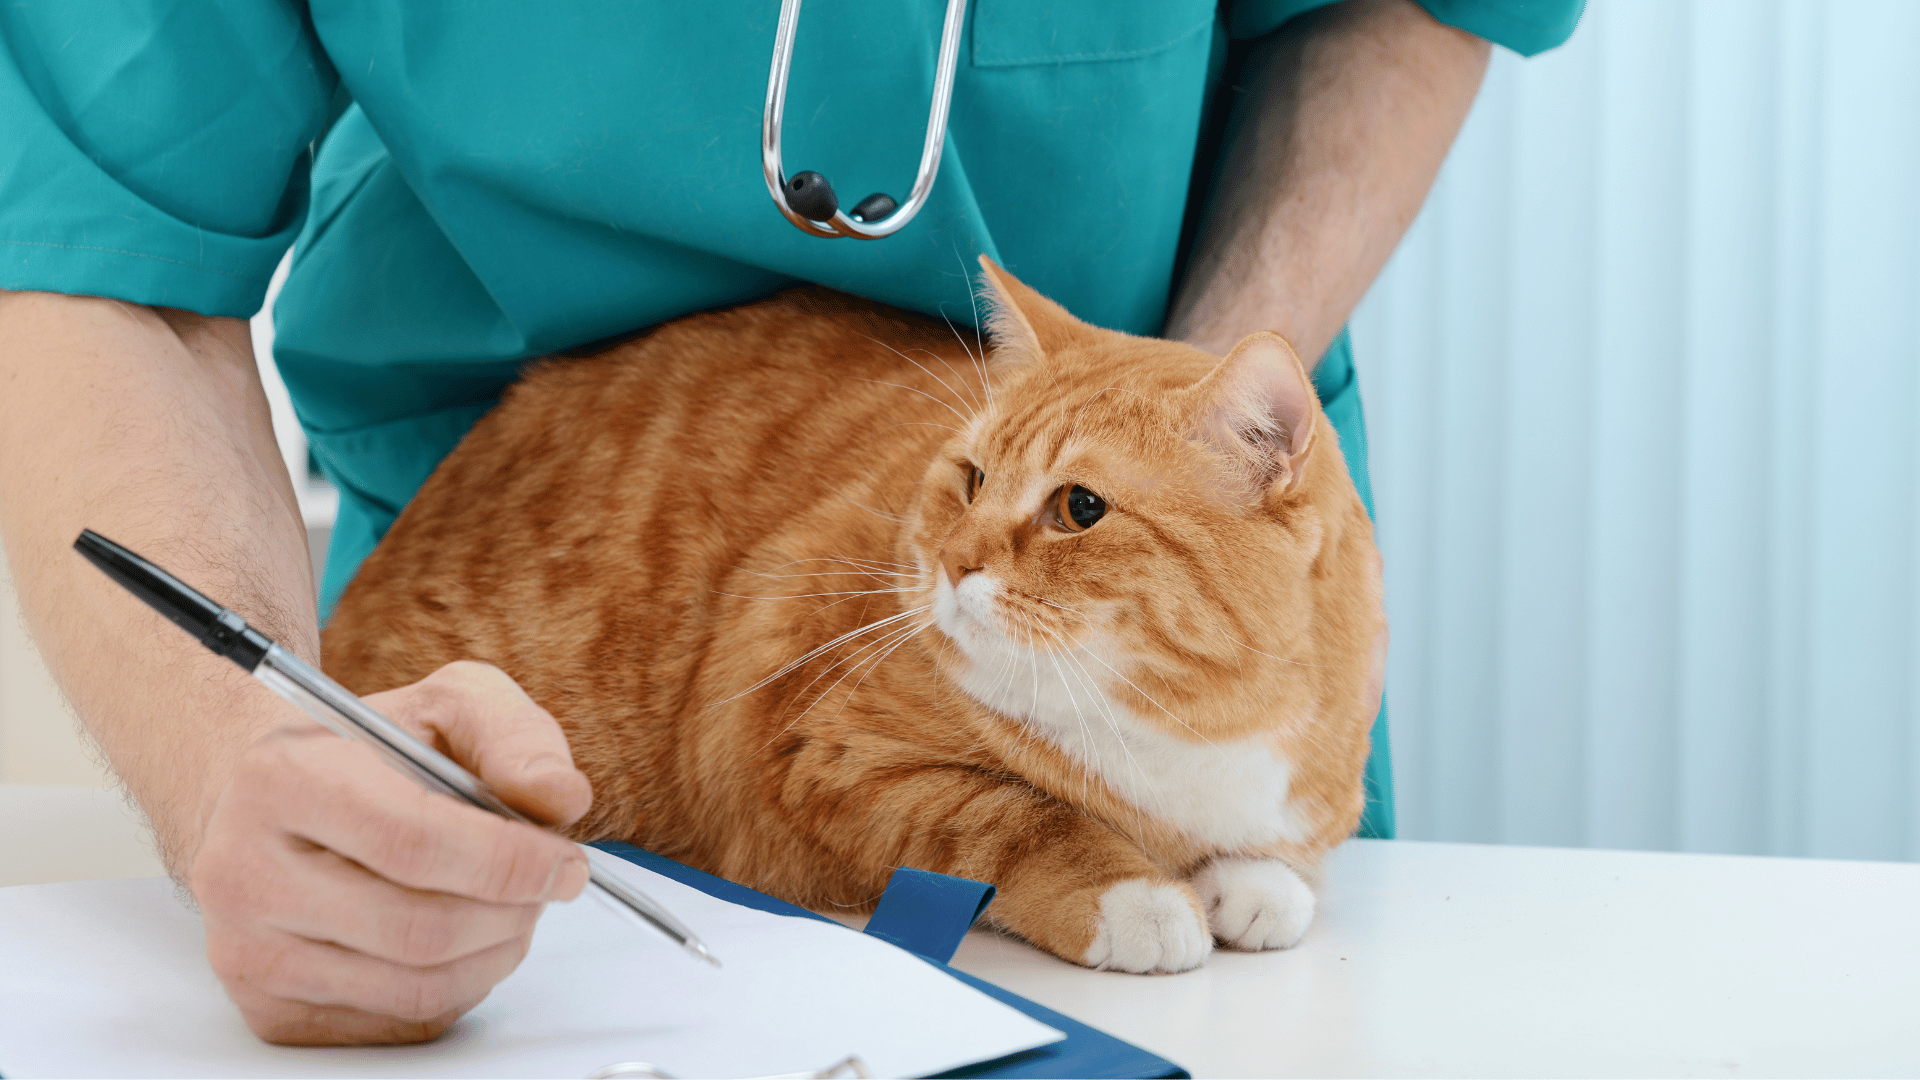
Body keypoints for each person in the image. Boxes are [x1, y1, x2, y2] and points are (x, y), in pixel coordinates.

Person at [0, 0, 1578, 1046]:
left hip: (1159, 500)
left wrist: (1187, 435)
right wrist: (235, 751)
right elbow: (91, 209)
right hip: (534, 582)